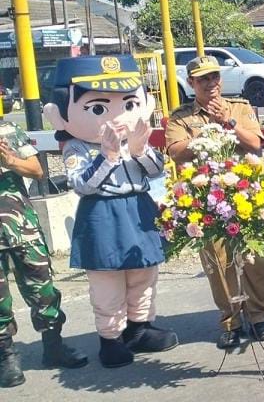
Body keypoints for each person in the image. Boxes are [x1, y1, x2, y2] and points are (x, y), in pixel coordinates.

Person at [45, 55, 178, 368]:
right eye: (98, 108)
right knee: (107, 279)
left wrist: (139, 148)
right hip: (102, 212)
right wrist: (106, 155)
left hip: (139, 207)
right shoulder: (78, 147)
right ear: (60, 113)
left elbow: (156, 171)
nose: (117, 116)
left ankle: (140, 328)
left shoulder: (136, 139)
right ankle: (111, 338)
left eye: (129, 104)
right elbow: (81, 184)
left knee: (143, 272)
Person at [165, 56, 264, 350]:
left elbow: (254, 144)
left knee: (252, 258)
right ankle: (231, 321)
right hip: (206, 197)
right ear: (191, 83)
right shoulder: (181, 116)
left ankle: (258, 316)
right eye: (203, 79)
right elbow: (175, 151)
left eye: (214, 77)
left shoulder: (240, 107)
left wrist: (227, 123)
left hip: (243, 193)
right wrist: (205, 135)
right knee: (218, 261)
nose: (211, 84)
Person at [0, 121, 87, 387]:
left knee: (43, 289)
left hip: (21, 227)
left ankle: (54, 347)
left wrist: (9, 159)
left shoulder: (8, 131)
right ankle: (7, 357)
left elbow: (37, 171)